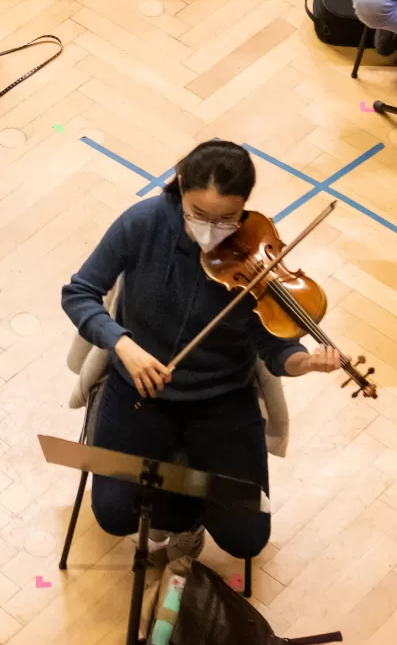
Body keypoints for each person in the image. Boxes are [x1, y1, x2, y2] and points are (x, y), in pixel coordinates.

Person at [62, 140, 343, 566]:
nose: (210, 230)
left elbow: (273, 345)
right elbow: (79, 292)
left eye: (226, 219)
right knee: (114, 516)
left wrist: (303, 362)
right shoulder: (142, 223)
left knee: (245, 538)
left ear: (245, 206)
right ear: (180, 191)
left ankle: (180, 516)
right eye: (197, 214)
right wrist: (123, 343)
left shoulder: (257, 252)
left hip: (221, 399)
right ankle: (178, 510)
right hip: (139, 387)